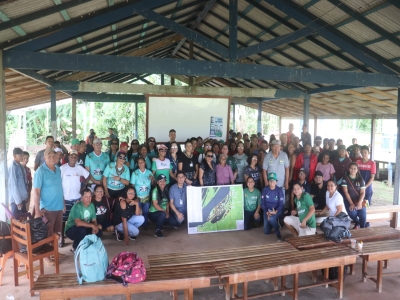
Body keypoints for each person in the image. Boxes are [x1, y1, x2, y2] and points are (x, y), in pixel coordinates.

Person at [33, 148, 65, 265]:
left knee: (55, 232)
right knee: (46, 233)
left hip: (58, 207)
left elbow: (59, 187)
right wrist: (37, 211)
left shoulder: (58, 169)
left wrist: (63, 203)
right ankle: (45, 257)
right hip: (47, 208)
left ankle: (53, 252)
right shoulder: (40, 171)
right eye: (49, 156)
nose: (52, 158)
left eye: (54, 156)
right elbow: (36, 192)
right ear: (44, 158)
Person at [59, 150, 90, 247]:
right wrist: (61, 199)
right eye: (71, 156)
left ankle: (77, 237)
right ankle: (62, 238)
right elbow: (58, 183)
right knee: (63, 219)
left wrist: (84, 186)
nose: (73, 158)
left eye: (75, 157)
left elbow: (88, 176)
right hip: (66, 198)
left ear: (77, 158)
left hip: (77, 199)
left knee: (77, 219)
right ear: (68, 157)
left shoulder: (79, 168)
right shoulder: (62, 168)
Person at [130, 156, 154, 229]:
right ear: (137, 164)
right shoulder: (135, 173)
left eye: (142, 162)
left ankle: (145, 224)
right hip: (138, 196)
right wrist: (134, 196)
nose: (141, 164)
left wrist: (152, 179)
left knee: (146, 211)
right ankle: (138, 225)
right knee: (138, 211)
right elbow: (132, 185)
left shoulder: (149, 172)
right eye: (139, 163)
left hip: (147, 196)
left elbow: (152, 184)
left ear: (145, 163)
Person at [341, 163, 366, 228]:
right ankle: (357, 222)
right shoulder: (345, 178)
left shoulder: (360, 179)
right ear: (349, 169)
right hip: (349, 200)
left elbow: (362, 192)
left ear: (357, 170)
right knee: (352, 213)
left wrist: (360, 202)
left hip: (359, 200)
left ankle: (363, 228)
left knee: (362, 214)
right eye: (351, 168)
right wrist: (351, 203)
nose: (353, 170)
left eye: (355, 168)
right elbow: (345, 192)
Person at [260, 173, 284, 241]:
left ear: (276, 181)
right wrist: (267, 212)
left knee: (271, 219)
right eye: (270, 180)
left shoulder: (279, 190)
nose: (272, 182)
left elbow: (281, 204)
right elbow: (262, 203)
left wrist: (276, 211)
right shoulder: (265, 189)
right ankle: (276, 224)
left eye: (273, 180)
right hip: (267, 210)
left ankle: (278, 234)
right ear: (268, 181)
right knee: (266, 231)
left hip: (277, 210)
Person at [8, 147, 28, 216]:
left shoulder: (21, 166)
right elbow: (13, 185)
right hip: (16, 200)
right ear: (14, 156)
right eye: (20, 156)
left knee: (23, 220)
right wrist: (18, 201)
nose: (22, 157)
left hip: (22, 198)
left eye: (22, 155)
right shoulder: (12, 167)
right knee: (16, 221)